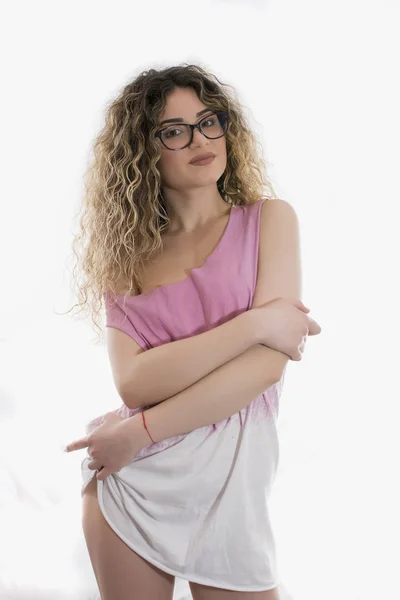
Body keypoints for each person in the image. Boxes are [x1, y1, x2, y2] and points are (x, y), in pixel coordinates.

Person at [64, 64, 322, 600]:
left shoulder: (269, 220)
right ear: (143, 151)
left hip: (228, 492)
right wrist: (255, 323)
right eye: (174, 130)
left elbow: (265, 368)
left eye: (209, 122)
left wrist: (140, 431)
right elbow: (134, 385)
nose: (199, 139)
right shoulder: (126, 262)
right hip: (133, 482)